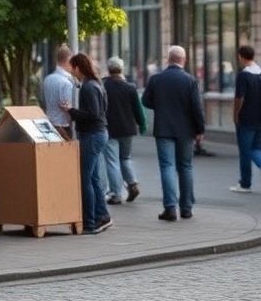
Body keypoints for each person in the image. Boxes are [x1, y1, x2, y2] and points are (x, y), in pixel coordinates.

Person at [141, 45, 205, 221]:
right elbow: (197, 108)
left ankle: (170, 208)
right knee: (186, 166)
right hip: (186, 130)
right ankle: (186, 208)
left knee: (167, 166)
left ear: (168, 59)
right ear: (183, 60)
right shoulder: (190, 80)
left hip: (164, 129)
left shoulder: (156, 79)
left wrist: (161, 106)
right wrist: (200, 129)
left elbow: (145, 100)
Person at [59, 53, 112, 235]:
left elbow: (93, 114)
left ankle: (90, 221)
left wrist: (71, 111)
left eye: (71, 68)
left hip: (92, 134)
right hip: (98, 133)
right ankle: (102, 215)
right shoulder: (96, 84)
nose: (71, 72)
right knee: (94, 178)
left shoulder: (88, 87)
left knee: (86, 178)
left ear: (77, 68)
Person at [230, 44, 261, 194]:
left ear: (240, 57)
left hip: (246, 119)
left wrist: (236, 114)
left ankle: (245, 184)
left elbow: (239, 98)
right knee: (256, 148)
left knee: (245, 151)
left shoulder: (243, 75)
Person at [102, 56, 146, 204]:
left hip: (110, 129)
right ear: (122, 69)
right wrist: (142, 124)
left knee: (112, 161)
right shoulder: (130, 87)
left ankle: (116, 194)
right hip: (128, 129)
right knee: (125, 158)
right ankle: (132, 183)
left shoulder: (103, 86)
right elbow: (138, 109)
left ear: (109, 70)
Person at [43, 45, 77, 138]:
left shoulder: (48, 79)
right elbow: (68, 105)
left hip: (50, 124)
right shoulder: (67, 82)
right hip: (63, 126)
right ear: (67, 61)